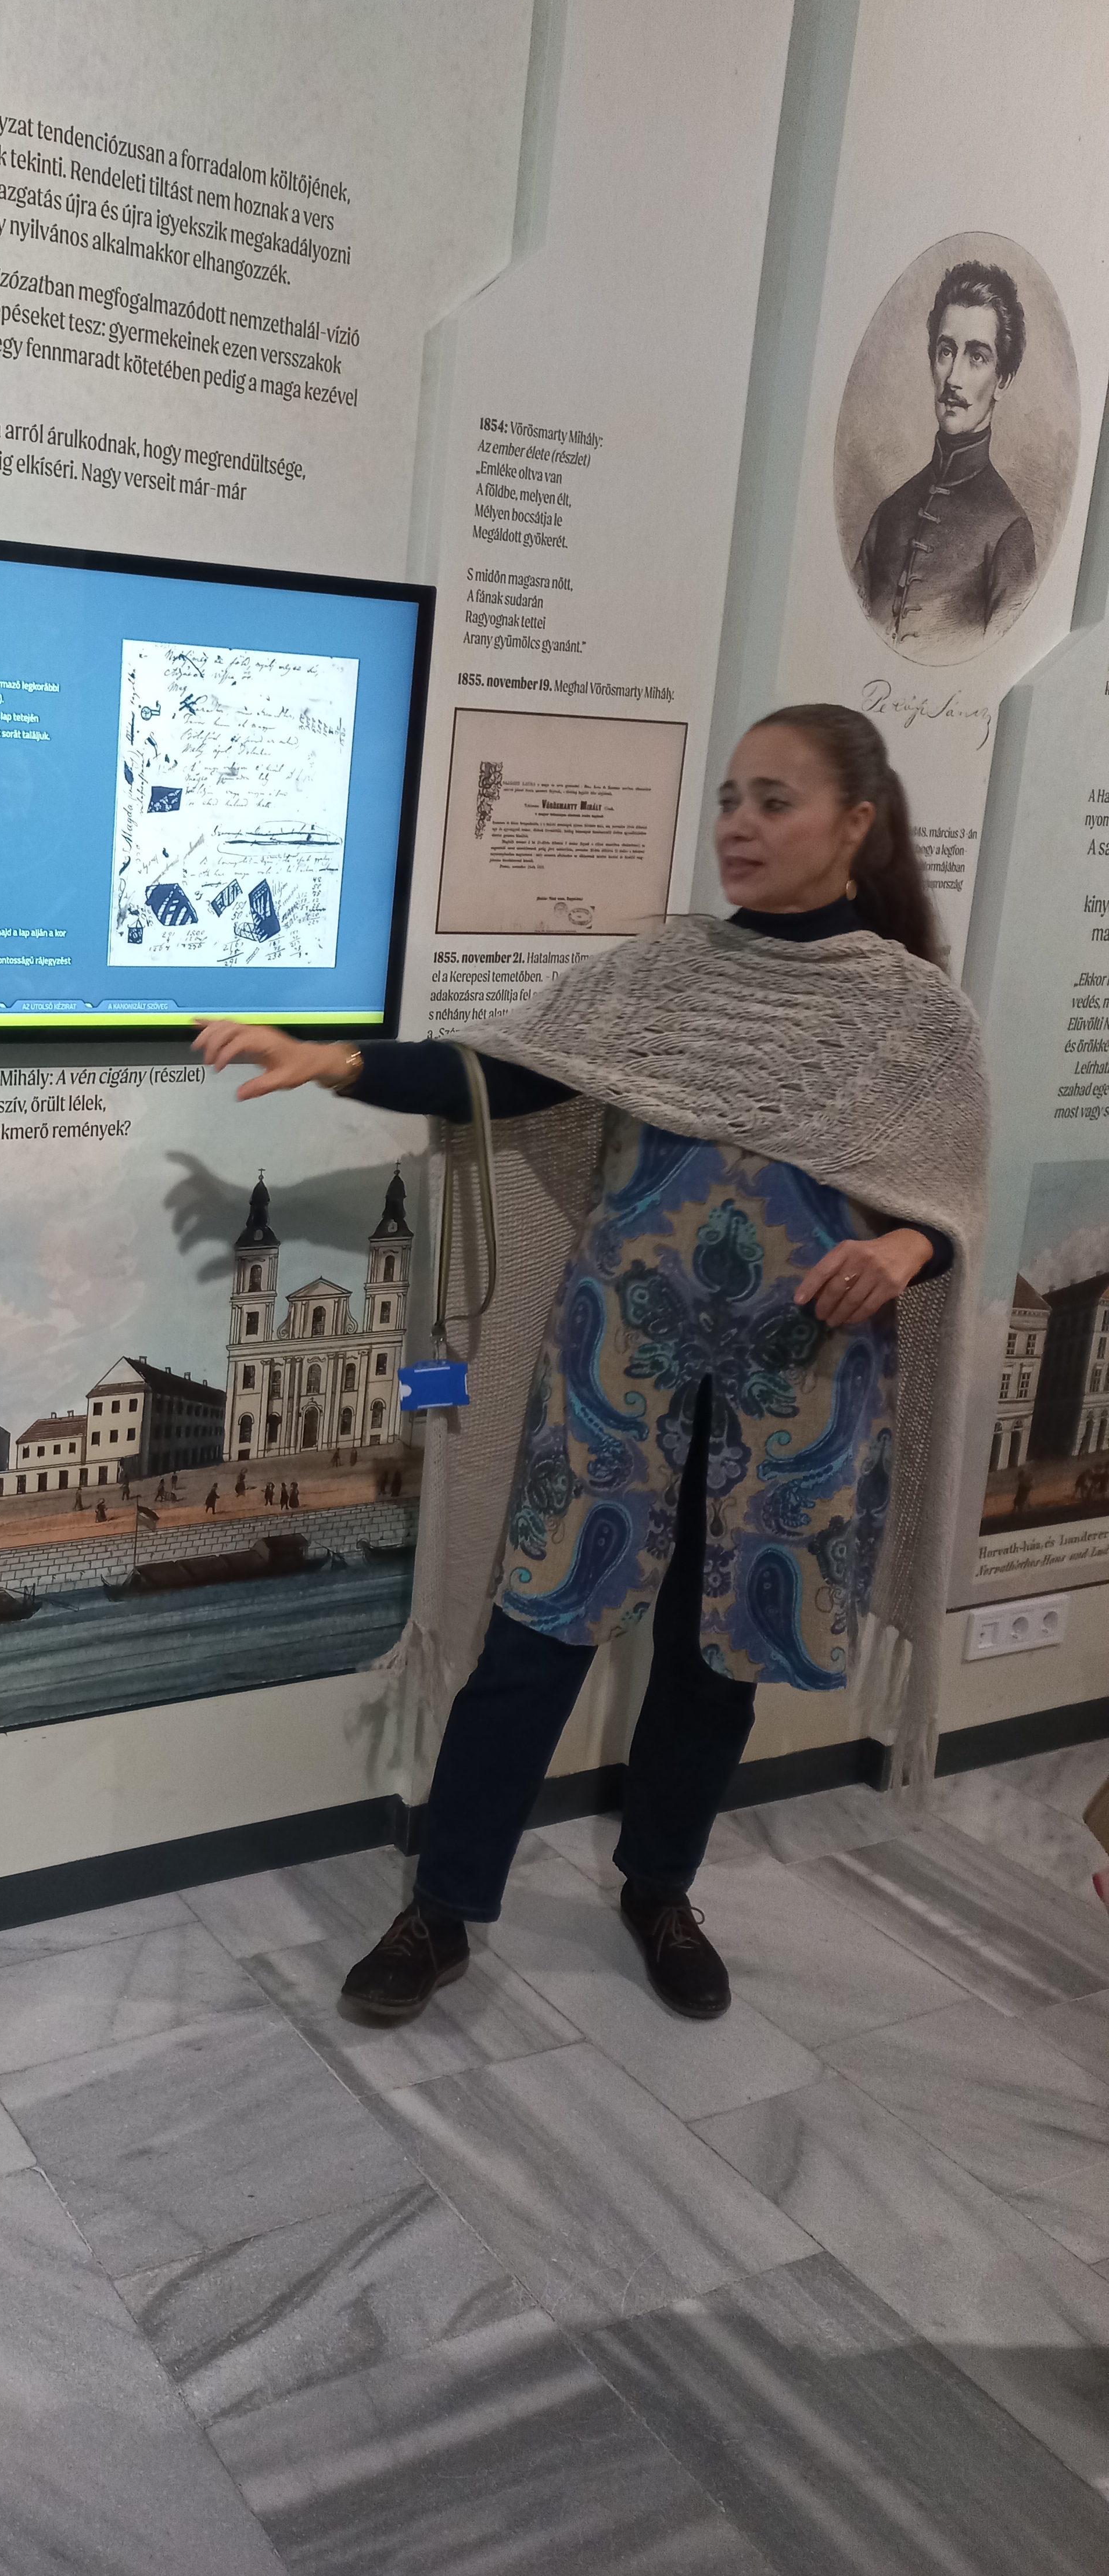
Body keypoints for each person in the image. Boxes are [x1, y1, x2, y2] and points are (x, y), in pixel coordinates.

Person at [198, 705, 985, 2025]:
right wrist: (331, 1057)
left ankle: (659, 1888)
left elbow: (947, 1199)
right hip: (622, 1357)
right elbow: (508, 1072)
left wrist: (907, 1244)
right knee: (535, 1629)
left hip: (797, 1378)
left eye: (773, 799)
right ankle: (442, 1909)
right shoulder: (663, 973)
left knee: (716, 1653)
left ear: (855, 822)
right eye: (728, 798)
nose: (738, 824)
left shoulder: (916, 1015)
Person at [852, 260, 1036, 657]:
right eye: (946, 351)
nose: (953, 378)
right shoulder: (889, 515)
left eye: (977, 357)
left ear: (1003, 380)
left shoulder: (1010, 533)